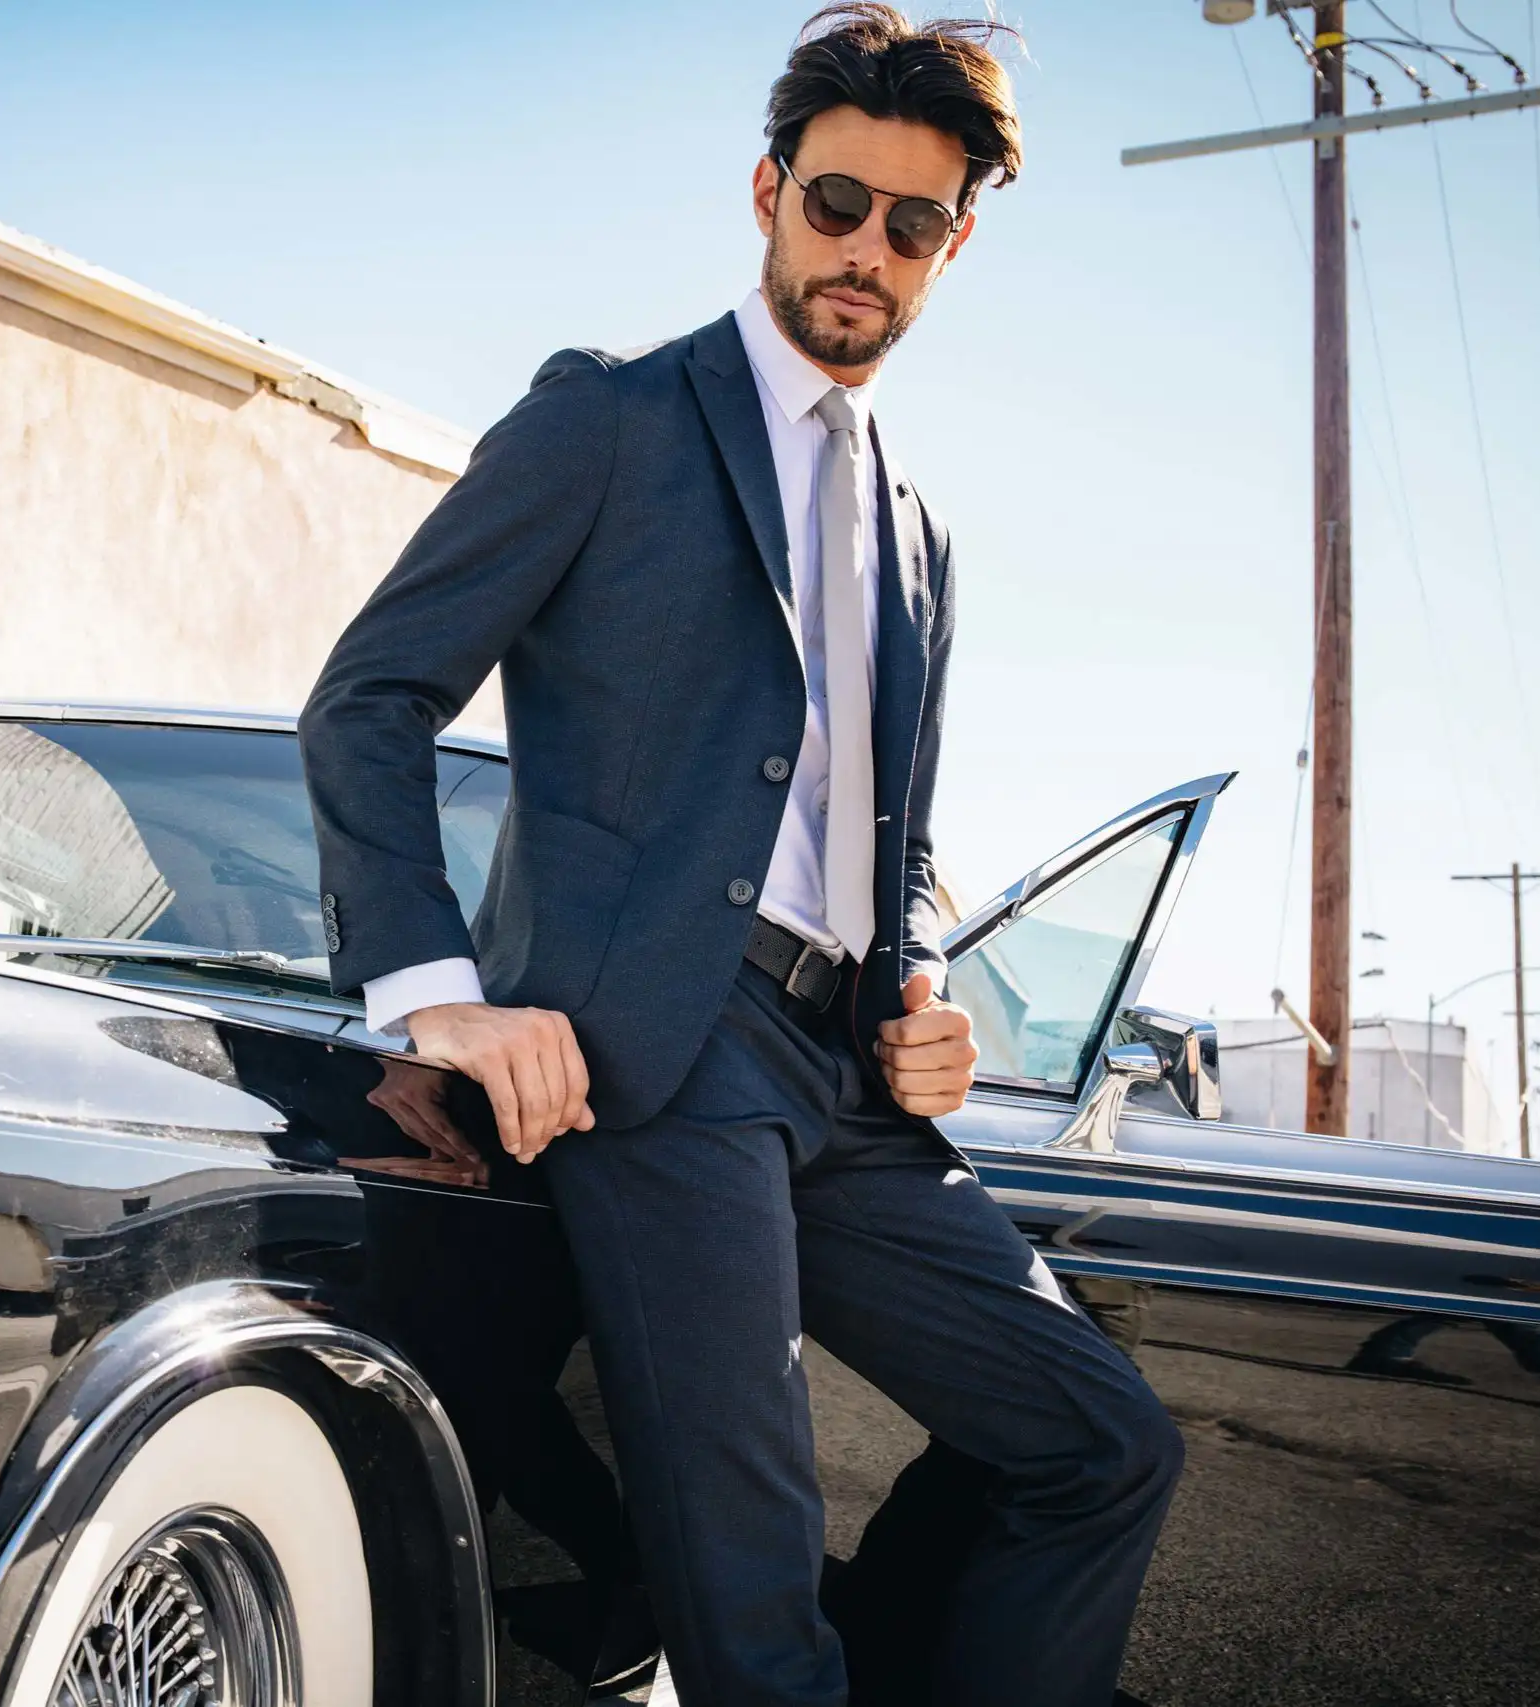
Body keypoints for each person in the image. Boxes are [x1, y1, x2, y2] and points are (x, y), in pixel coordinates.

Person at [298, 7, 1184, 1703]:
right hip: (666, 1064)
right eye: (838, 203)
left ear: (953, 248)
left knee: (1103, 1438)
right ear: (770, 193)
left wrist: (925, 974)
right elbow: (370, 696)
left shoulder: (917, 527)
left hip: (853, 1084)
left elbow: (893, 834)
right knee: (756, 1596)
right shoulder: (610, 423)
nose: (866, 250)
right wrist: (436, 994)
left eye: (910, 225)